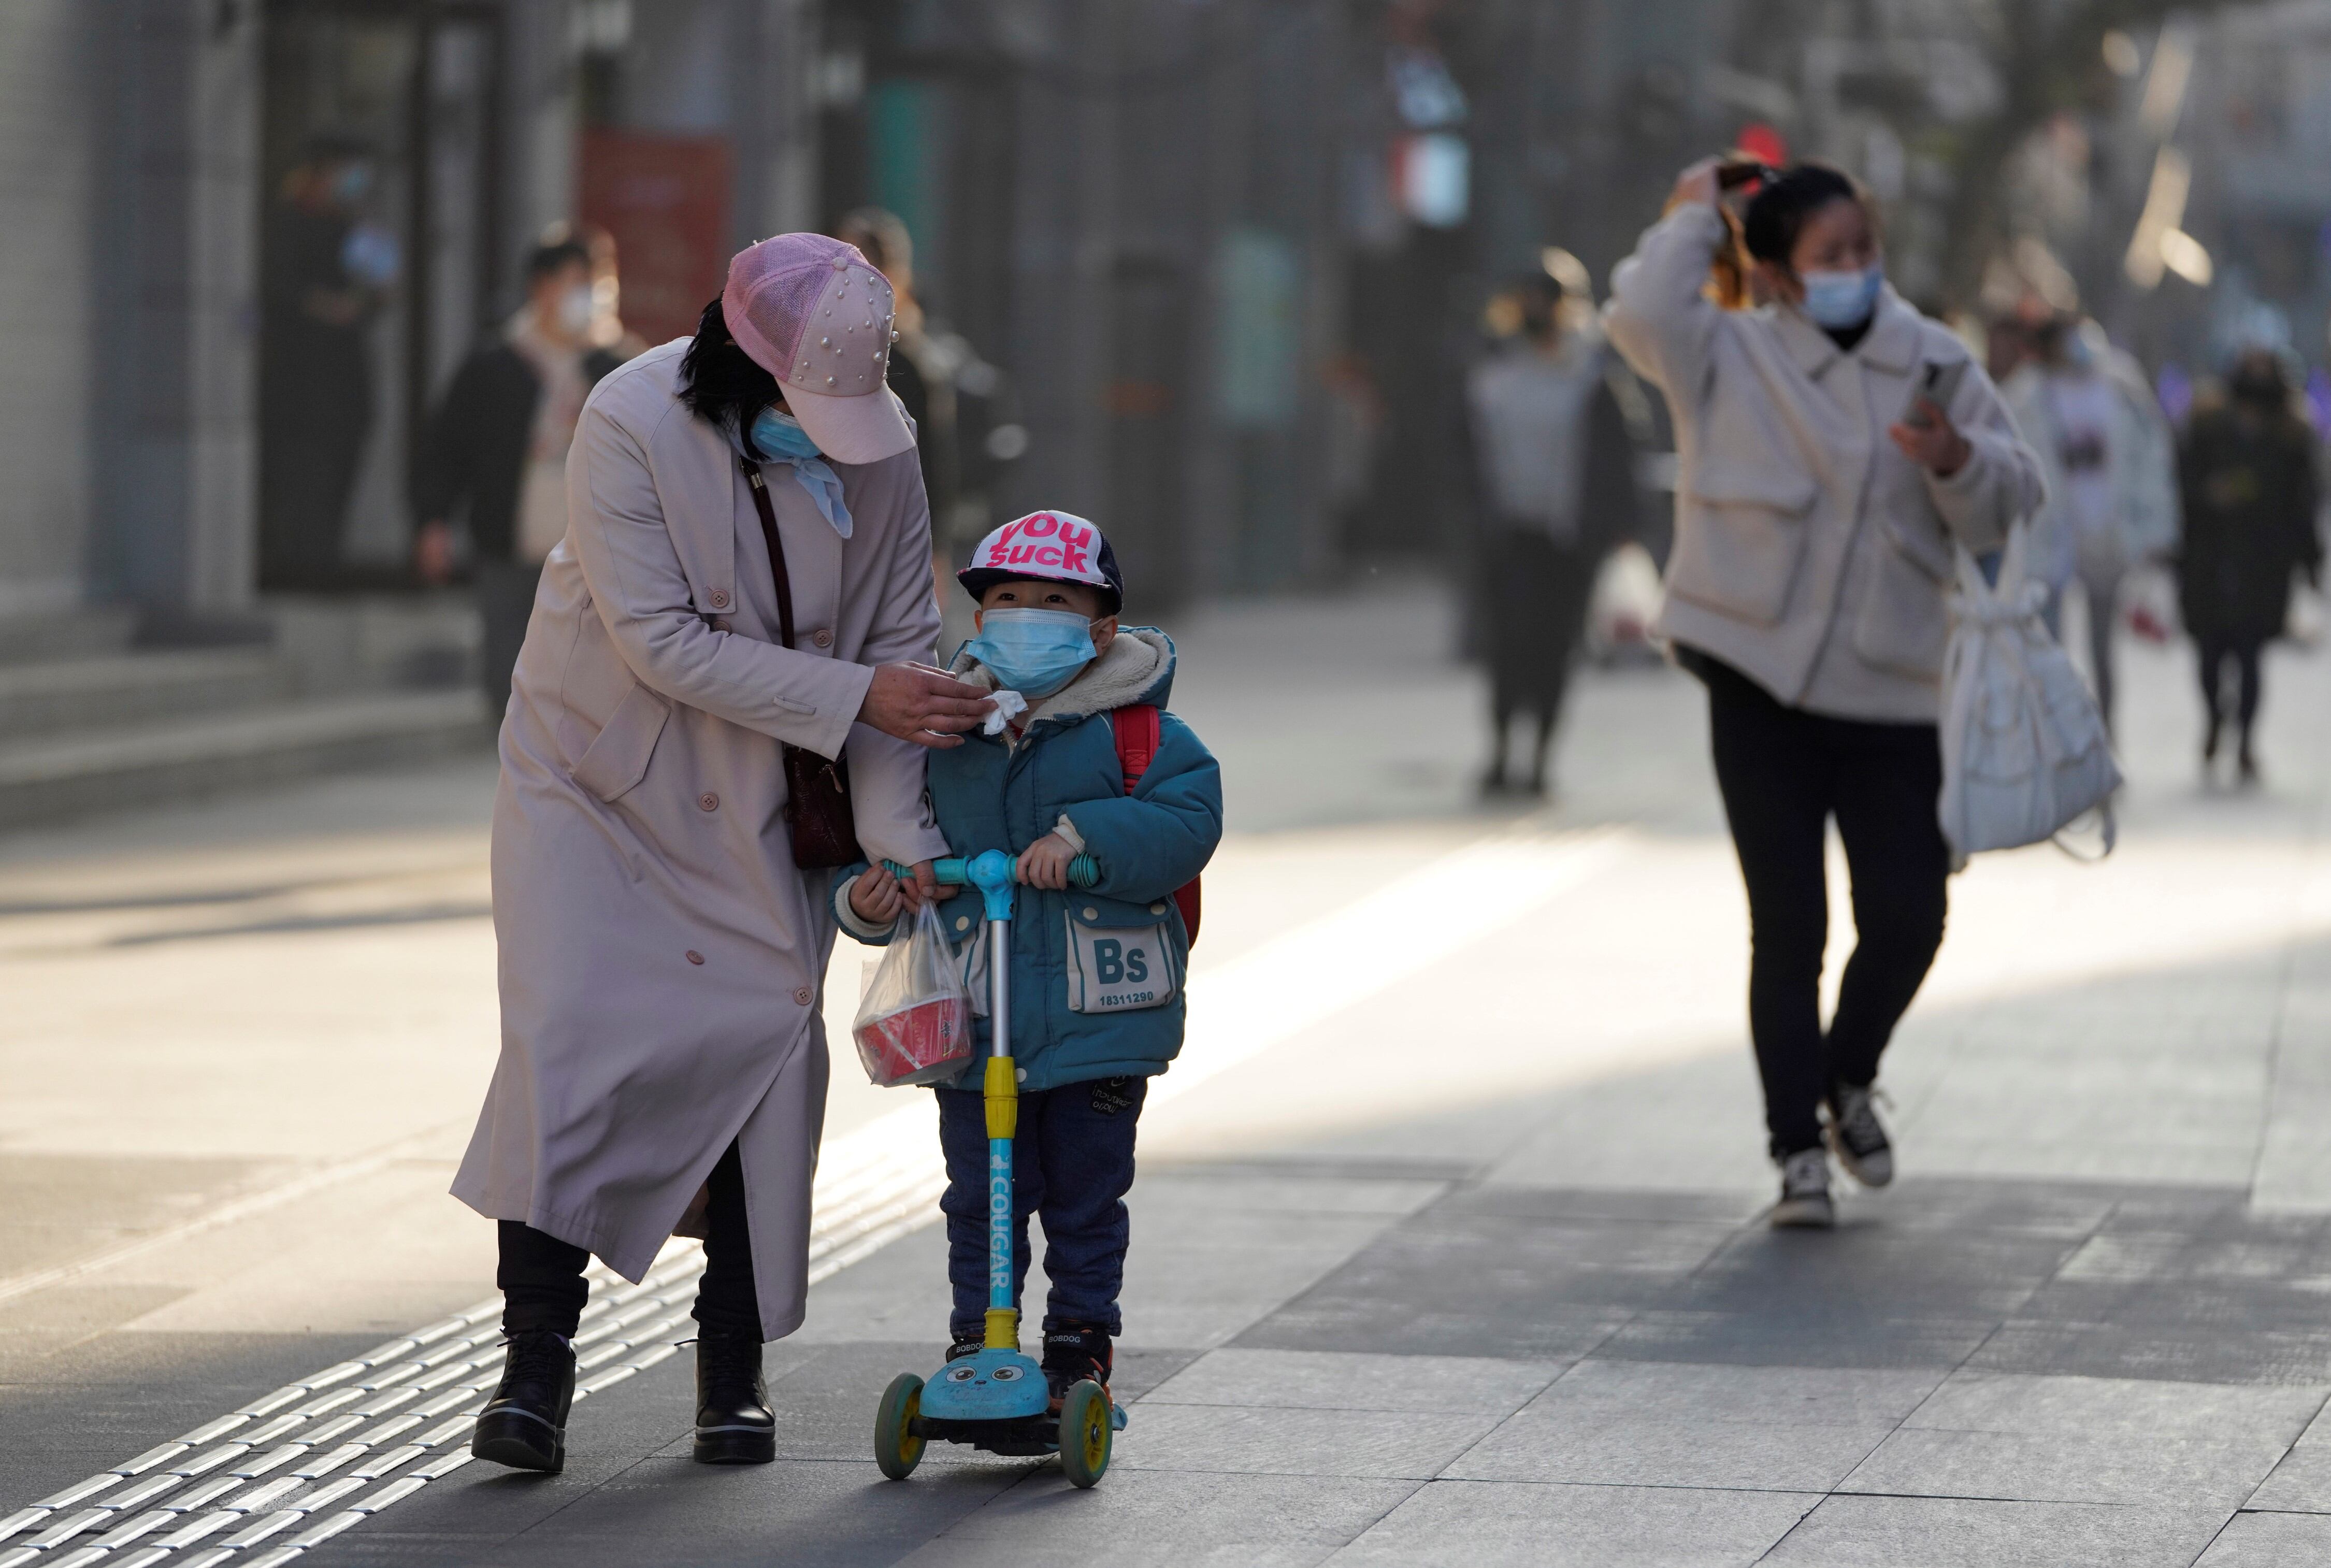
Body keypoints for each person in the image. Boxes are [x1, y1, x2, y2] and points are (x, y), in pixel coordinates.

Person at [453, 233, 999, 1474]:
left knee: (764, 1042)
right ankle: (532, 1364)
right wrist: (861, 694)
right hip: (594, 781)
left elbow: (900, 635)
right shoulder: (627, 415)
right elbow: (659, 643)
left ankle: (730, 1367)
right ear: (739, 361)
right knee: (565, 1047)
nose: (834, 433)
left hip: (763, 779)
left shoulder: (884, 439)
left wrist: (901, 845)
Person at [1606, 160, 2044, 1228]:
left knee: (1909, 912)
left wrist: (1956, 458)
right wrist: (1690, 208)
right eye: (1829, 256)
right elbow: (1640, 311)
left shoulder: (1933, 359)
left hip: (1891, 683)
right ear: (1779, 272)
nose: (1855, 270)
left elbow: (2010, 496)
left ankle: (1848, 1074)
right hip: (1753, 672)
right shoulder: (1725, 346)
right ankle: (1797, 1146)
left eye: (1864, 249)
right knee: (1788, 922)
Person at [834, 513, 1221, 1407]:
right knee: (979, 1193)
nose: (1025, 616)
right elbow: (890, 839)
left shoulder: (1142, 737)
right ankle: (979, 1338)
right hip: (973, 1016)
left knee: (1085, 1193)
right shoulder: (943, 730)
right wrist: (869, 898)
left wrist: (1085, 839)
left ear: (1100, 629)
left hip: (1098, 1021)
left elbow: (1188, 822)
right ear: (978, 620)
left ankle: (1080, 1347)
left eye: (1052, 600)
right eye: (1006, 599)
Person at [412, 233, 631, 716]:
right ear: (542, 287)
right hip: (509, 545)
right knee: (508, 678)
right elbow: (446, 448)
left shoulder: (616, 368)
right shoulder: (496, 365)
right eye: (576, 282)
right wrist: (433, 520)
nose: (588, 295)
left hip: (594, 559)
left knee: (587, 685)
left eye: (595, 283)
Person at [1465, 272, 1639, 794]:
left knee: (1554, 649)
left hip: (1568, 540)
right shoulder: (1491, 374)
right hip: (1507, 536)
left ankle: (1540, 757)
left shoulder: (1593, 378)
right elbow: (1462, 454)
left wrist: (1617, 528)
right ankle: (1499, 753)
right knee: (1505, 648)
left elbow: (1617, 458)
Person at [1999, 313, 2179, 733]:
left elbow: (2151, 459)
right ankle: (2057, 733)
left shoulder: (2121, 388)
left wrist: (2154, 530)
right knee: (2050, 647)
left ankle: (2106, 731)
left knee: (2104, 647)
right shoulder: (2024, 397)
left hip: (2108, 535)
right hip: (2050, 536)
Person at [2177, 349, 2323, 785]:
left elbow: (2303, 502)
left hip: (2263, 563)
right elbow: (2182, 481)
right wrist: (2208, 497)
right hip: (2210, 559)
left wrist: (2310, 560)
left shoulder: (2291, 436)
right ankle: (2215, 719)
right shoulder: (2207, 428)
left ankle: (2245, 742)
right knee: (2208, 655)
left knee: (2251, 656)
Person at [259, 136, 393, 591]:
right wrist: (324, 306)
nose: (351, 183)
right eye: (343, 171)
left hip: (346, 374)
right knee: (302, 472)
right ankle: (298, 564)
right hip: (300, 373)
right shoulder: (287, 223)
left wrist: (367, 296)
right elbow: (282, 289)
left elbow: (381, 290)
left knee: (342, 461)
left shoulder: (357, 228)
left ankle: (327, 561)